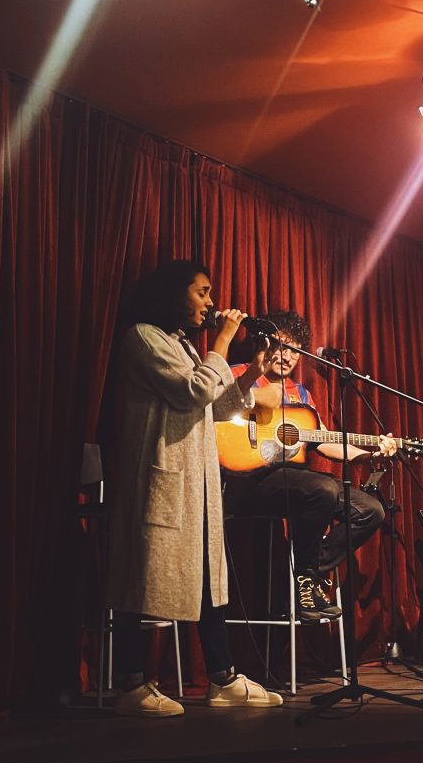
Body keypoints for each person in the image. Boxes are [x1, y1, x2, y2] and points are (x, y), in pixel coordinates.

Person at [105, 260, 283, 717]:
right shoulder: (143, 338)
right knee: (141, 577)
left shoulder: (183, 344)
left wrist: (248, 374)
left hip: (199, 481)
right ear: (172, 293)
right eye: (201, 292)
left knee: (208, 579)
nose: (209, 302)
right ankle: (129, 683)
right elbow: (190, 392)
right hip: (160, 478)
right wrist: (223, 343)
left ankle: (222, 677)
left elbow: (217, 404)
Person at [223, 310, 396, 621]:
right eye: (280, 346)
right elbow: (216, 411)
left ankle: (309, 573)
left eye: (294, 350)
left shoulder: (302, 395)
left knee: (371, 510)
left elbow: (323, 440)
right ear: (263, 345)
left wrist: (370, 454)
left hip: (294, 483)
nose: (287, 356)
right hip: (243, 481)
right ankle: (306, 577)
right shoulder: (237, 372)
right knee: (323, 487)